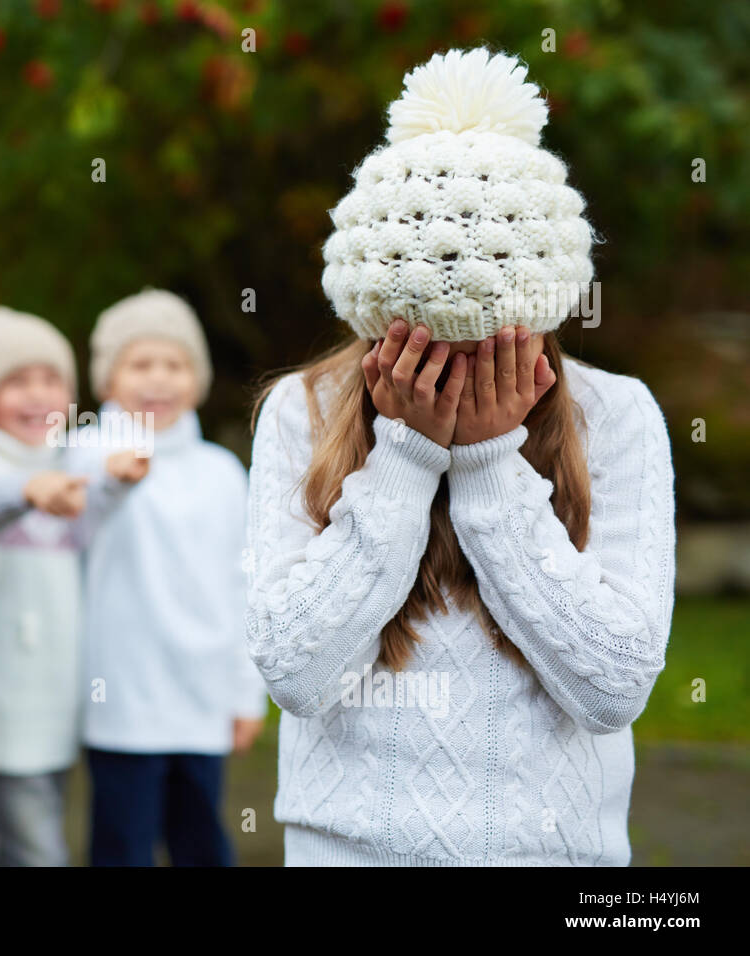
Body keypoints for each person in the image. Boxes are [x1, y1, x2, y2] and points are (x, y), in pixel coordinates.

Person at [246, 48, 676, 866]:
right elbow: (295, 673)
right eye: (420, 333)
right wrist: (404, 458)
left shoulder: (616, 415)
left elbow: (613, 686)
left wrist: (487, 463)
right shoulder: (305, 411)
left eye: (491, 330)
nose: (457, 359)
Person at [0, 305, 147, 866]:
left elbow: (84, 519)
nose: (38, 396)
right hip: (4, 709)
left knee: (27, 849)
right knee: (39, 852)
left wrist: (116, 483)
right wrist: (31, 489)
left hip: (57, 706)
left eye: (50, 379)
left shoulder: (67, 460)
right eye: (17, 381)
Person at [77, 288, 269, 867]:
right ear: (108, 378)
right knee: (122, 846)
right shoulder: (86, 452)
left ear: (198, 377)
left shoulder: (221, 471)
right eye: (140, 364)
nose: (158, 379)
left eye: (175, 364)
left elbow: (246, 584)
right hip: (121, 699)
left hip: (203, 695)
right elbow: (83, 508)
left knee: (202, 845)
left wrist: (246, 693)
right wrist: (115, 477)